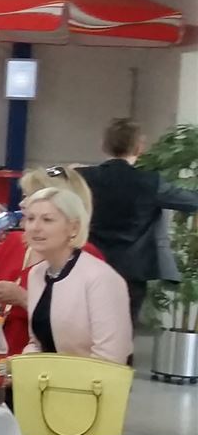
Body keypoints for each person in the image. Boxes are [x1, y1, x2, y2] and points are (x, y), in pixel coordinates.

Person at [0, 164, 105, 353]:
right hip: (2, 351)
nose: (22, 204)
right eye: (24, 196)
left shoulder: (85, 257)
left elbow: (81, 325)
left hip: (50, 359)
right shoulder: (16, 241)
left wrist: (23, 298)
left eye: (31, 197)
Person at [0, 186, 133, 364]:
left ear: (73, 228)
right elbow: (38, 343)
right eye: (30, 219)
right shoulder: (37, 274)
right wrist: (15, 367)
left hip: (90, 379)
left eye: (47, 220)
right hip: (44, 377)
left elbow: (111, 358)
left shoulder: (101, 279)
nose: (35, 227)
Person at [78, 118, 198, 325]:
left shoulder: (83, 177)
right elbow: (191, 201)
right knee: (123, 329)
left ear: (103, 145)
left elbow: (49, 176)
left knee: (84, 325)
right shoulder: (150, 182)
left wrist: (63, 170)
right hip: (132, 272)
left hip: (88, 263)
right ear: (139, 147)